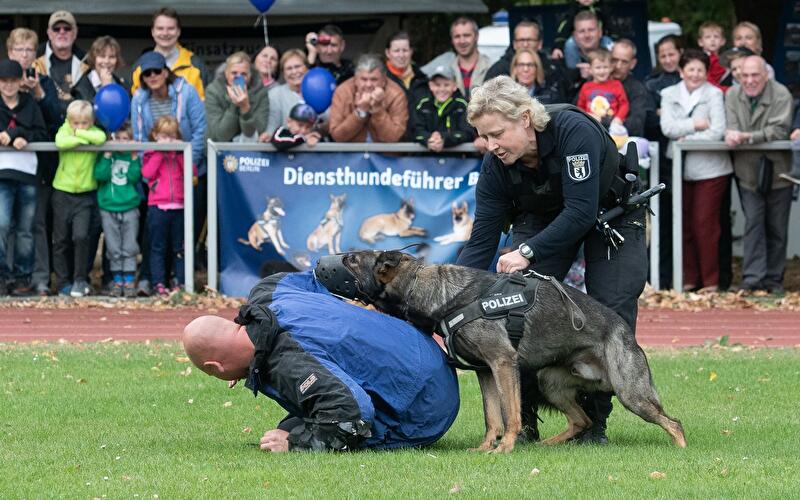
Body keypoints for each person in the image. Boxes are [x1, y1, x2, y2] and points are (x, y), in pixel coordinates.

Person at [456, 76, 647, 444]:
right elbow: (481, 241)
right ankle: (523, 421)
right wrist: (448, 296)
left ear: (525, 118)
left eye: (497, 134)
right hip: (543, 218)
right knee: (517, 308)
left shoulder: (574, 131)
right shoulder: (495, 165)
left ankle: (593, 424)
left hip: (612, 213)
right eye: (485, 137)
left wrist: (525, 252)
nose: (491, 146)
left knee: (611, 309)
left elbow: (580, 211)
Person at [182, 271, 460, 452]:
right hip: (422, 348)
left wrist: (294, 443)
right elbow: (328, 272)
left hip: (428, 408)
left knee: (295, 430)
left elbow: (352, 416)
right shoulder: (268, 291)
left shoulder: (286, 362)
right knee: (292, 422)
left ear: (215, 367)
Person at [660, 49, 732, 293]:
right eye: (690, 69)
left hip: (710, 168)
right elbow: (667, 127)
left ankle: (710, 281)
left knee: (705, 225)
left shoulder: (714, 94)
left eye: (700, 69)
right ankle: (688, 279)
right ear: (681, 71)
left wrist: (686, 134)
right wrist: (696, 125)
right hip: (679, 168)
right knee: (684, 224)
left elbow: (718, 130)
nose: (695, 74)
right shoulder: (669, 93)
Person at [725, 56, 793, 294]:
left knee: (777, 227)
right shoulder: (732, 95)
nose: (750, 80)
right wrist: (738, 135)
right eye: (745, 75)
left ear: (766, 75)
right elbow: (731, 126)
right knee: (753, 223)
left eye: (755, 75)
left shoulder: (781, 93)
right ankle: (752, 279)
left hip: (779, 171)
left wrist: (747, 137)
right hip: (748, 171)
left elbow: (780, 129)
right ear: (738, 76)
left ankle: (774, 281)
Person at [6, 27, 62, 296]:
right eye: (19, 49)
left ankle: (38, 278)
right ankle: (8, 277)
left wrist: (38, 92)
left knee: (36, 223)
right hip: (6, 169)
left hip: (38, 165)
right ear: (9, 52)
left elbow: (55, 120)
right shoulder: (3, 82)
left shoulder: (45, 81)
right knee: (6, 223)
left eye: (29, 50)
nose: (25, 55)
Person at [0, 60, 47, 296]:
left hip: (27, 173)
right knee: (1, 224)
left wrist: (19, 134)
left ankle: (22, 278)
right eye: (3, 81)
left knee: (26, 230)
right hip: (2, 174)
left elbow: (42, 132)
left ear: (20, 82)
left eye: (12, 81)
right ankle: (2, 277)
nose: (8, 86)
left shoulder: (29, 103)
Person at [52, 100, 106, 297]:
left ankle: (80, 279)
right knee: (60, 240)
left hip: (85, 194)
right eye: (75, 123)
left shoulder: (90, 132)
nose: (79, 127)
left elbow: (100, 138)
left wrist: (79, 135)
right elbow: (60, 142)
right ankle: (63, 281)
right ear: (69, 120)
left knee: (81, 237)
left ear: (91, 121)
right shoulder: (64, 129)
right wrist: (81, 137)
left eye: (84, 123)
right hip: (62, 191)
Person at [643, 34, 683, 289]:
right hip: (664, 168)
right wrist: (666, 118)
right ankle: (662, 276)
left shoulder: (690, 76)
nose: (668, 59)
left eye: (672, 53)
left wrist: (667, 116)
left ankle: (686, 276)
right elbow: (651, 121)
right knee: (662, 223)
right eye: (663, 55)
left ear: (681, 52)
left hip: (688, 163)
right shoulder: (651, 84)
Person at [141, 116, 197, 296]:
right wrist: (159, 152)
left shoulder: (180, 154)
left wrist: (180, 153)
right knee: (157, 247)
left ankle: (180, 282)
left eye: (171, 136)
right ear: (155, 135)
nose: (167, 141)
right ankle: (158, 282)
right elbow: (147, 173)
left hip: (180, 207)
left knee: (179, 248)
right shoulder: (151, 153)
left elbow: (192, 172)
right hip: (158, 207)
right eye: (163, 136)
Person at [130, 7, 209, 99]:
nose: (165, 33)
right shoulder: (139, 67)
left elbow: (209, 106)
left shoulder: (196, 64)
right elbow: (134, 107)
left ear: (178, 31)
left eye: (171, 28)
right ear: (152, 32)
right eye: (160, 28)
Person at [329, 54, 408, 143]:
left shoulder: (396, 94)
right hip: (351, 154)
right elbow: (337, 136)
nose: (368, 85)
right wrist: (360, 112)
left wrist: (378, 110)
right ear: (355, 79)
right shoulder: (343, 91)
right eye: (364, 79)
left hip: (385, 155)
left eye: (374, 79)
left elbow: (393, 137)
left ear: (383, 80)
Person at [205, 51, 269, 142]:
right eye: (234, 73)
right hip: (219, 149)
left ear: (250, 75)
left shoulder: (261, 92)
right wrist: (234, 104)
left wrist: (245, 107)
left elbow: (253, 133)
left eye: (244, 74)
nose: (238, 78)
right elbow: (221, 136)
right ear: (226, 74)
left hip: (251, 150)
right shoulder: (213, 91)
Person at [33, 10, 85, 113]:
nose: (62, 32)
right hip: (45, 124)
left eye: (67, 28)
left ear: (75, 33)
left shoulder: (87, 62)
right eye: (56, 29)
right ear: (49, 33)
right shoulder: (34, 59)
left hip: (79, 123)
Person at [412, 65, 473, 152]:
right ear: (430, 86)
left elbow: (468, 133)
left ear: (455, 86)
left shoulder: (463, 105)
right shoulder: (422, 104)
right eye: (437, 85)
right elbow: (415, 131)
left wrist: (444, 138)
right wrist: (428, 139)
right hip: (426, 160)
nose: (442, 89)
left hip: (458, 160)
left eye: (446, 85)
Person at [384, 31, 428, 140]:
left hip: (420, 143)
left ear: (411, 52)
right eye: (396, 51)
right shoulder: (380, 80)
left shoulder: (423, 79)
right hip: (391, 144)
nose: (401, 55)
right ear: (388, 53)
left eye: (405, 50)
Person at [563, 11, 614, 101]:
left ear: (600, 32)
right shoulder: (566, 52)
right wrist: (577, 75)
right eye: (582, 31)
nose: (587, 35)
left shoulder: (611, 48)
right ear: (575, 35)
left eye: (591, 30)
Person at [551, 0, 615, 68]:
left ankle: (611, 69)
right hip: (578, 41)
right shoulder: (573, 10)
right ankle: (573, 69)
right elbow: (564, 29)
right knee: (570, 44)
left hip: (600, 39)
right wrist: (558, 47)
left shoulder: (603, 8)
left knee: (609, 43)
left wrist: (615, 40)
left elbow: (611, 26)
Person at [610, 39, 653, 138]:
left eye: (624, 62)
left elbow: (636, 124)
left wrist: (606, 124)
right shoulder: (593, 82)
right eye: (614, 60)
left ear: (632, 64)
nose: (618, 66)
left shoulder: (637, 89)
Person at [576, 48, 628, 130]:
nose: (602, 71)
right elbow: (580, 107)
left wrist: (618, 118)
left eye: (605, 67)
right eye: (598, 68)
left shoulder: (616, 85)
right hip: (591, 126)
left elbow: (624, 104)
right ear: (590, 69)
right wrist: (588, 115)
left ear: (611, 68)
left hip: (612, 125)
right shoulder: (586, 86)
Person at [262, 49, 308, 138]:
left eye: (297, 66)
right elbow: (272, 125)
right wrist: (267, 136)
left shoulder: (318, 89)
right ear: (283, 73)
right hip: (287, 147)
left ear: (306, 68)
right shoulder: (275, 94)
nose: (294, 72)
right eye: (289, 68)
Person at [71, 36, 129, 103]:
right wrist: (106, 89)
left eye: (112, 57)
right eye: (102, 56)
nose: (107, 61)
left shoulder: (122, 85)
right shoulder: (81, 86)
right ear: (94, 58)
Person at [446, 17, 491, 101]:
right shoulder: (446, 70)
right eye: (457, 36)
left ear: (476, 37)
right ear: (452, 40)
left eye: (466, 35)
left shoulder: (491, 67)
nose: (462, 41)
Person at [696, 21, 727, 88]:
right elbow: (707, 79)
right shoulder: (701, 60)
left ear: (722, 41)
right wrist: (724, 90)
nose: (712, 40)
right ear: (700, 42)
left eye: (716, 37)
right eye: (708, 37)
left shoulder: (725, 59)